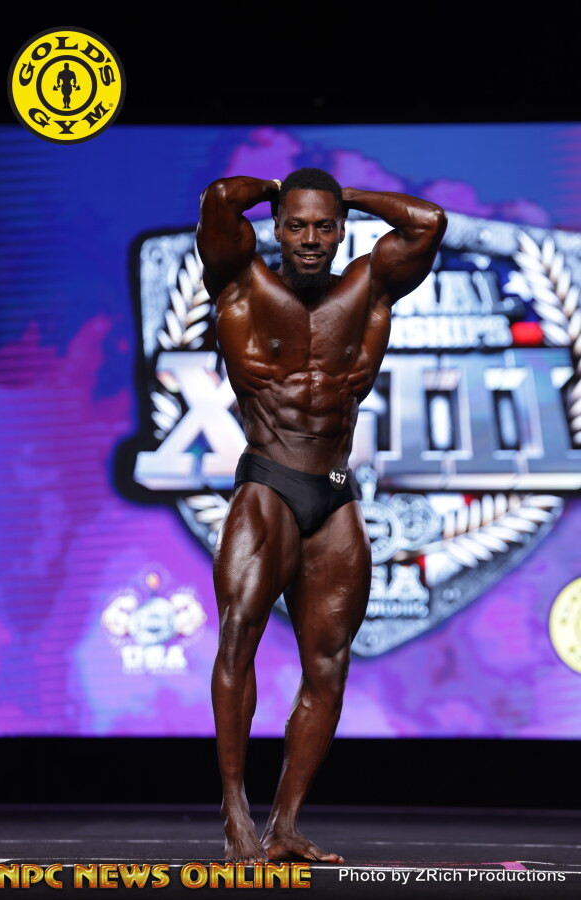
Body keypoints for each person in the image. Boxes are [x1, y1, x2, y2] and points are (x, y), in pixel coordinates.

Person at [196, 168, 447, 863]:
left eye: (324, 226)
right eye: (297, 224)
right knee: (238, 636)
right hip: (269, 481)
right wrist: (278, 186)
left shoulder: (371, 286)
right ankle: (235, 812)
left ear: (341, 231)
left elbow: (428, 223)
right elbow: (219, 200)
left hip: (335, 490)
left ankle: (285, 824)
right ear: (277, 228)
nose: (310, 238)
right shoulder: (240, 279)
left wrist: (346, 194)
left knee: (329, 665)